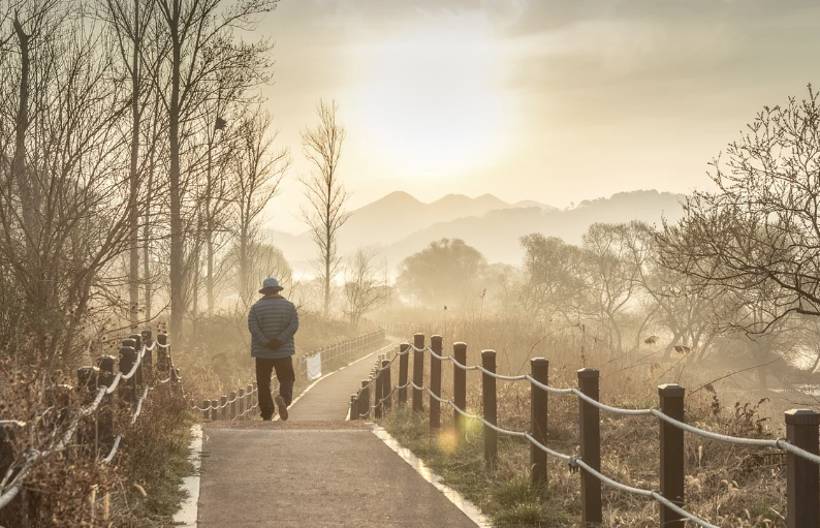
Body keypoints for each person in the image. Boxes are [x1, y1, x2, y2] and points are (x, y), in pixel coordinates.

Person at [248, 277, 299, 421]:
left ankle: (267, 413)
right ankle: (283, 399)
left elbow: (253, 328)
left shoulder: (255, 308)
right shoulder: (289, 306)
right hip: (283, 351)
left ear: (264, 292)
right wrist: (280, 340)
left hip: (262, 352)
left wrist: (266, 342)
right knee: (287, 378)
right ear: (278, 289)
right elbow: (293, 326)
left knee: (263, 382)